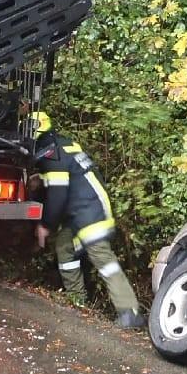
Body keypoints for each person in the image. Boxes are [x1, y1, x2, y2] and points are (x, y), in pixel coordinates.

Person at [29, 112, 145, 329]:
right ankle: (77, 302)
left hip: (89, 211)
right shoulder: (62, 146)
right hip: (84, 209)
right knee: (65, 247)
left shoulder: (51, 155)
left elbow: (58, 194)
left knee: (102, 258)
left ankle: (130, 312)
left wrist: (45, 225)